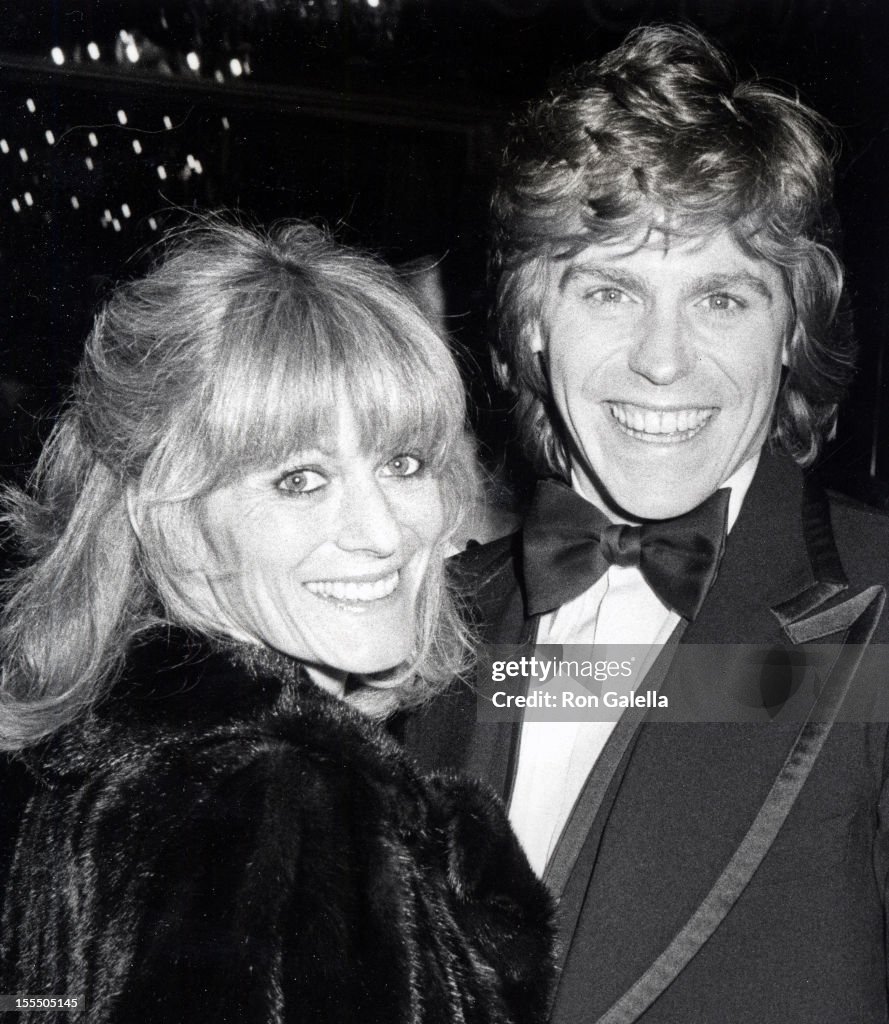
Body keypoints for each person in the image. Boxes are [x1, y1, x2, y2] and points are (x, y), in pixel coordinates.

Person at [398, 25, 889, 1024]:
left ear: (790, 331)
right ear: (532, 320)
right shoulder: (427, 618)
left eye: (720, 296)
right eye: (610, 288)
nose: (662, 360)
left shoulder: (875, 612)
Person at [0, 220, 552, 1024]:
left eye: (402, 464)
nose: (383, 532)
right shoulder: (278, 799)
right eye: (299, 479)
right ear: (171, 517)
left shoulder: (101, 749)